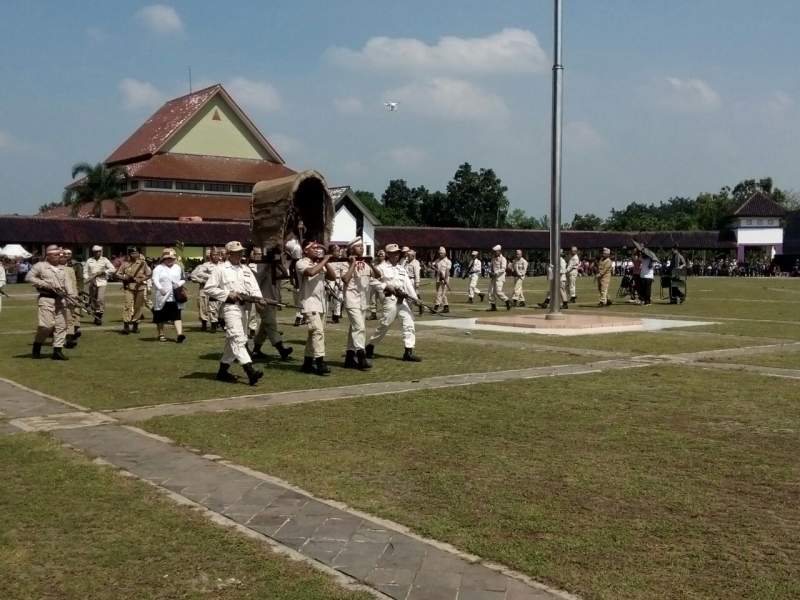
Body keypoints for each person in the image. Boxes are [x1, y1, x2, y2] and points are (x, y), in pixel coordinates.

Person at [203, 241, 264, 386]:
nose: (240, 254)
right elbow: (209, 288)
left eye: (241, 252)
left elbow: (254, 288)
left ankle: (222, 372)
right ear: (229, 254)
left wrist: (260, 300)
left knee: (234, 341)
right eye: (237, 252)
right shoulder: (220, 269)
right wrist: (227, 294)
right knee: (238, 339)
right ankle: (250, 371)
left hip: (244, 308)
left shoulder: (246, 269)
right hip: (230, 308)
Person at [365, 243, 422, 362]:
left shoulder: (401, 268)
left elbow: (407, 284)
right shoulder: (381, 267)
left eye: (397, 253)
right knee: (385, 325)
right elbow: (371, 281)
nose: (396, 255)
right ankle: (370, 346)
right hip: (390, 299)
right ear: (388, 255)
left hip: (402, 299)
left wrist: (415, 298)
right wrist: (386, 285)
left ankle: (408, 351)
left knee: (409, 323)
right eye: (393, 253)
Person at [296, 241, 337, 375]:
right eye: (313, 248)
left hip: (321, 303)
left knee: (312, 334)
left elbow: (332, 276)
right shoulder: (301, 263)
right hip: (308, 302)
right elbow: (311, 272)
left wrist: (327, 262)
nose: (317, 250)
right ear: (305, 250)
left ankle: (307, 363)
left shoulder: (319, 263)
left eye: (318, 248)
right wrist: (324, 260)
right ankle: (320, 362)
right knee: (318, 332)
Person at [27, 245, 73, 360]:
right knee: (46, 326)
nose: (59, 257)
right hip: (46, 299)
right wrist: (45, 284)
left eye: (60, 255)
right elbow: (29, 277)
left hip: (61, 300)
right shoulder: (40, 266)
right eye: (56, 255)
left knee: (61, 326)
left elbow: (68, 284)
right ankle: (37, 345)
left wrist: (71, 296)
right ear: (49, 256)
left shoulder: (63, 268)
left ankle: (57, 351)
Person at [342, 237, 382, 370]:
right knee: (359, 328)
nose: (362, 248)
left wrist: (371, 264)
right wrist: (352, 264)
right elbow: (345, 279)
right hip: (351, 299)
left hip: (363, 300)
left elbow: (378, 275)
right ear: (351, 249)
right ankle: (361, 356)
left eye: (362, 246)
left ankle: (349, 356)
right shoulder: (345, 262)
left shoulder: (365, 263)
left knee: (354, 329)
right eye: (358, 246)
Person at [251, 246, 293, 361]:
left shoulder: (275, 266)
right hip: (263, 300)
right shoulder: (258, 266)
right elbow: (257, 279)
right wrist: (267, 264)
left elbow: (285, 274)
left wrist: (277, 263)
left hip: (274, 300)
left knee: (265, 326)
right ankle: (281, 350)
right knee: (271, 324)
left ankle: (256, 350)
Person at [151, 248, 186, 343]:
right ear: (163, 259)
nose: (170, 260)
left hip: (175, 296)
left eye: (172, 258)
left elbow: (183, 279)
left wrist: (178, 284)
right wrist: (160, 288)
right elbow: (155, 279)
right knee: (160, 316)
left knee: (177, 315)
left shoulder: (178, 268)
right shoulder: (158, 268)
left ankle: (180, 334)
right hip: (161, 296)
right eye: (168, 258)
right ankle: (161, 334)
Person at [117, 247, 151, 334]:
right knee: (128, 305)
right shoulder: (125, 264)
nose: (135, 255)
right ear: (129, 254)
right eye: (133, 253)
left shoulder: (143, 263)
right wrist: (124, 277)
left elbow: (149, 274)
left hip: (140, 287)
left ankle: (135, 324)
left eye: (136, 253)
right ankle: (126, 325)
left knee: (138, 306)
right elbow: (118, 274)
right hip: (129, 287)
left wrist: (142, 279)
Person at [189, 248, 221, 332]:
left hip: (217, 289)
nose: (216, 256)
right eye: (213, 255)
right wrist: (205, 279)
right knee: (203, 306)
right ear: (210, 256)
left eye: (217, 254)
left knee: (216, 307)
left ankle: (215, 324)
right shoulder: (205, 265)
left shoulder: (222, 265)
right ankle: (204, 324)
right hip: (205, 288)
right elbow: (196, 274)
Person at [83, 245, 115, 325]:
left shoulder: (105, 260)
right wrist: (88, 278)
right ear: (93, 252)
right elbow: (85, 271)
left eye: (99, 251)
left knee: (100, 299)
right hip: (92, 282)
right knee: (93, 300)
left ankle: (99, 317)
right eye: (96, 252)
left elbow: (113, 269)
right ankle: (96, 316)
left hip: (102, 282)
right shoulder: (89, 260)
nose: (98, 253)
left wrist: (104, 272)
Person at [58, 249, 79, 348]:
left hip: (70, 297)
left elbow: (74, 284)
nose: (63, 259)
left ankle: (70, 339)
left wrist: (75, 296)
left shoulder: (70, 270)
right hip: (58, 298)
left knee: (70, 318)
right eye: (61, 257)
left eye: (64, 257)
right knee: (60, 320)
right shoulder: (53, 269)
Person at [285, 238, 305, 327]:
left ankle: (301, 317)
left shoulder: (296, 262)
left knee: (299, 301)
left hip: (299, 285)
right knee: (299, 302)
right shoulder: (296, 262)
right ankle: (300, 317)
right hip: (298, 285)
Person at [327, 244, 346, 324]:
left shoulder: (341, 261)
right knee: (328, 299)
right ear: (332, 252)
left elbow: (341, 273)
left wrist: (340, 283)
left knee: (338, 299)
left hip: (338, 280)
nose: (339, 253)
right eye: (337, 251)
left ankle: (336, 316)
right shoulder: (327, 261)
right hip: (329, 281)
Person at [488, 245, 512, 311]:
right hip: (493, 277)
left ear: (499, 251)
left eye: (495, 251)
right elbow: (491, 267)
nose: (494, 253)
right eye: (494, 252)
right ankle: (493, 306)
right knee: (491, 292)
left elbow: (503, 269)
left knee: (498, 292)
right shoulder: (493, 259)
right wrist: (490, 272)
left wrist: (495, 273)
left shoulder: (503, 259)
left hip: (500, 277)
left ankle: (507, 301)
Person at [433, 246, 452, 313]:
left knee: (440, 293)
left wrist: (445, 280)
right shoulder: (437, 260)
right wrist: (437, 270)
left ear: (445, 254)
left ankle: (436, 307)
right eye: (439, 253)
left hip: (444, 279)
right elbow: (432, 265)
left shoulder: (448, 261)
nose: (440, 254)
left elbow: (447, 271)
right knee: (442, 294)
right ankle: (446, 307)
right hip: (438, 278)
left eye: (441, 253)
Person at [369, 249, 386, 320]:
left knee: (383, 299)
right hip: (373, 283)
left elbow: (384, 275)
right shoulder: (375, 263)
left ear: (384, 256)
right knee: (373, 300)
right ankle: (373, 314)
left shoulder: (385, 265)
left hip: (380, 284)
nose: (379, 257)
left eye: (381, 256)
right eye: (379, 255)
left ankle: (386, 314)